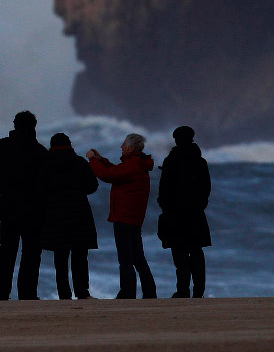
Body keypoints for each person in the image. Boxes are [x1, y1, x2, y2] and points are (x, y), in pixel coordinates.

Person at [0, 110, 48, 300]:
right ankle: (27, 294)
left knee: (7, 252)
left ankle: (1, 295)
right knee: (31, 254)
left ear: (14, 125)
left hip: (9, 207)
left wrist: (6, 191)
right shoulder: (40, 152)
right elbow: (46, 184)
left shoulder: (1, 150)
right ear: (34, 126)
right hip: (33, 210)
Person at [87, 133, 157, 299]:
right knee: (137, 258)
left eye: (124, 145)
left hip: (124, 216)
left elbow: (108, 175)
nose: (121, 147)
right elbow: (116, 171)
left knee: (126, 258)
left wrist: (92, 160)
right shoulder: (137, 163)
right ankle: (148, 292)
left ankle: (128, 292)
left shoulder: (133, 164)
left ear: (131, 148)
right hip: (133, 217)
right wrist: (101, 159)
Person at [37, 132, 98, 300]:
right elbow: (92, 186)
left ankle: (64, 294)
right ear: (69, 145)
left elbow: (40, 191)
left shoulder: (46, 165)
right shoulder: (79, 162)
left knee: (60, 258)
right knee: (80, 256)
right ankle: (82, 292)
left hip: (56, 215)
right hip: (79, 214)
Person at [157, 125, 211, 298]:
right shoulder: (200, 161)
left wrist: (165, 208)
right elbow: (206, 189)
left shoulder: (171, 161)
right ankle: (199, 290)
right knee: (196, 252)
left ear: (177, 140)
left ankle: (183, 290)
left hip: (175, 214)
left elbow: (164, 189)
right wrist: (199, 206)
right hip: (195, 214)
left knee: (179, 253)